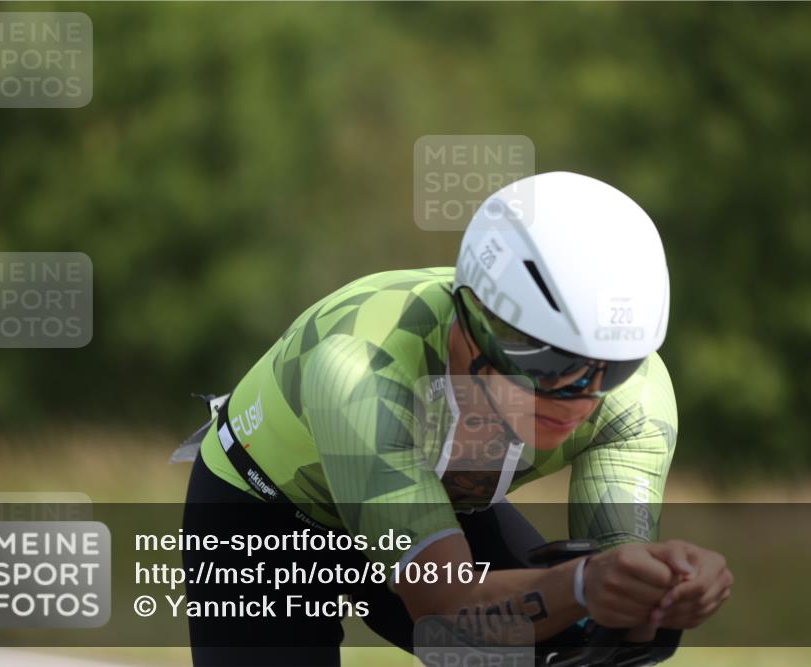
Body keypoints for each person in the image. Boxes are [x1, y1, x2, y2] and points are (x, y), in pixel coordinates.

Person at [181, 171, 733, 666]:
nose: (577, 397)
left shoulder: (638, 396)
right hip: (268, 512)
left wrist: (667, 588)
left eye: (610, 369)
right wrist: (586, 582)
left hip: (432, 493)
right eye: (545, 361)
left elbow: (613, 623)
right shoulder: (358, 366)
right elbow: (445, 617)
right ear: (470, 319)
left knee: (576, 643)